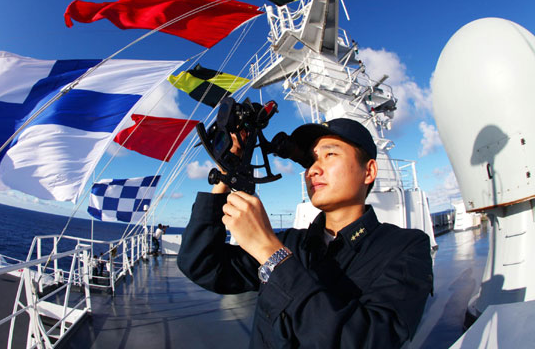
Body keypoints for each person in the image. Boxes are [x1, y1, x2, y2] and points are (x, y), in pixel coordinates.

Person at [177, 118, 433, 348]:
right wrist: (226, 173)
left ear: (369, 171)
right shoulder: (291, 242)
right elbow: (201, 263)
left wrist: (270, 253)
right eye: (310, 161)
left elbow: (366, 340)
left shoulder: (406, 248)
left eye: (330, 154)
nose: (312, 170)